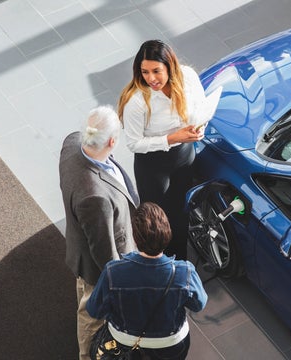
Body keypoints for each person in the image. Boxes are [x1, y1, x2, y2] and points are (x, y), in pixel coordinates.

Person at [59, 105, 140, 360]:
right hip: (95, 266)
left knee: (83, 295)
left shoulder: (72, 143)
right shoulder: (95, 197)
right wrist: (120, 282)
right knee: (91, 313)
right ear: (113, 141)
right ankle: (86, 354)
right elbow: (103, 251)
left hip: (79, 242)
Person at [118, 39, 207, 260]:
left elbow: (201, 106)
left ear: (170, 66)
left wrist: (201, 126)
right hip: (153, 165)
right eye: (145, 72)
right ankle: (159, 262)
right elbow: (133, 143)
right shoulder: (137, 101)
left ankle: (181, 259)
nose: (151, 78)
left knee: (181, 212)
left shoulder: (187, 77)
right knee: (156, 221)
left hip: (184, 155)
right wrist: (171, 138)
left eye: (156, 71)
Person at [87, 202, 208, 360]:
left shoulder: (113, 272)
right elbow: (199, 304)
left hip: (123, 343)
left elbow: (94, 310)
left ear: (136, 238)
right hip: (171, 344)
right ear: (167, 233)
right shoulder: (185, 272)